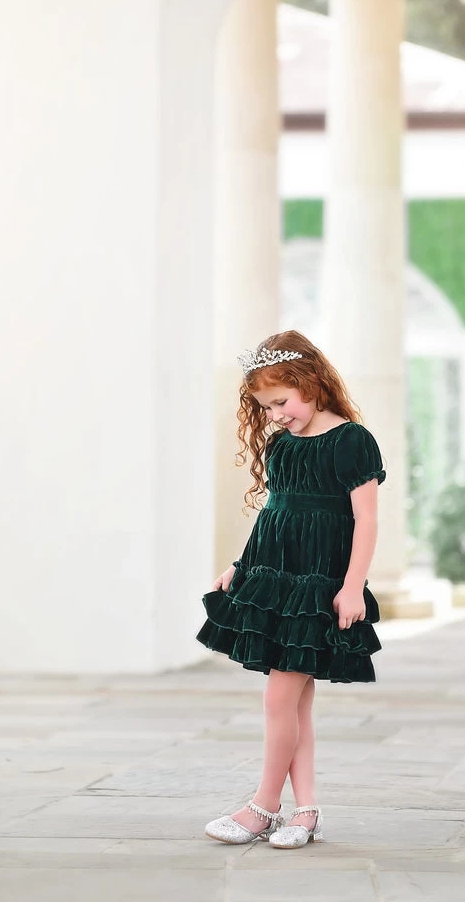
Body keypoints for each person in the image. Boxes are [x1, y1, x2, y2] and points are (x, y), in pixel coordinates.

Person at [196, 330, 386, 849]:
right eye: (266, 407)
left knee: (279, 698)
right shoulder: (281, 446)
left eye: (281, 401)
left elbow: (366, 521)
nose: (276, 415)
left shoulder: (352, 441)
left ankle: (263, 807)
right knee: (295, 705)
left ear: (312, 382)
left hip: (319, 588)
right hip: (277, 580)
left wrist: (353, 587)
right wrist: (240, 567)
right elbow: (274, 515)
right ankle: (306, 813)